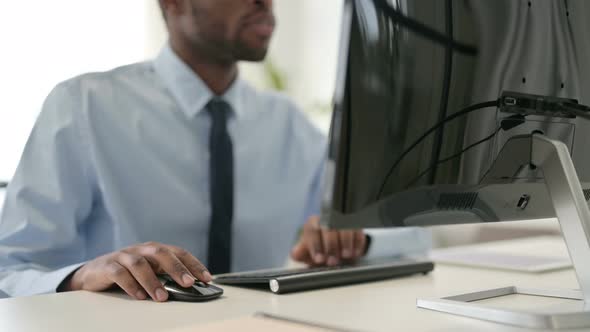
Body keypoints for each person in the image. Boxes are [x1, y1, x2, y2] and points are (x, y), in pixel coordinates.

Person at [0, 0, 430, 302]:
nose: (266, 2)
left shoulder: (288, 124)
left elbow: (411, 231)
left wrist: (356, 236)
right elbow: (10, 270)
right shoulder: (84, 106)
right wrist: (80, 276)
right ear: (173, 2)